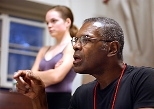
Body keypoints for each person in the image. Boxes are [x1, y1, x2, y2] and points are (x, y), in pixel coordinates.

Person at [14, 17, 154, 109]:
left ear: (112, 48)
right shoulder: (82, 94)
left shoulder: (144, 79)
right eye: (76, 40)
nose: (75, 46)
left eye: (86, 39)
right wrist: (39, 98)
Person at [29, 5, 78, 109]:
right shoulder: (44, 50)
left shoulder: (73, 46)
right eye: (47, 22)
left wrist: (38, 75)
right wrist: (51, 73)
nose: (49, 26)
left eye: (53, 21)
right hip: (40, 100)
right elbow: (31, 79)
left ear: (67, 22)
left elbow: (56, 76)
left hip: (61, 102)